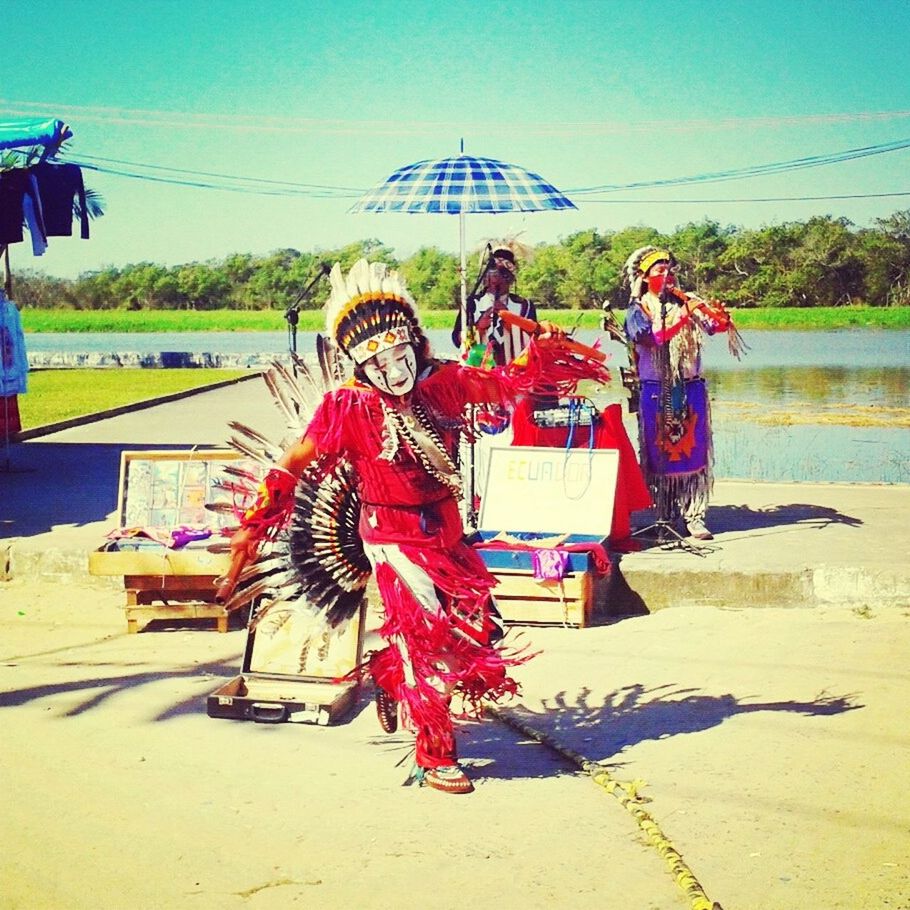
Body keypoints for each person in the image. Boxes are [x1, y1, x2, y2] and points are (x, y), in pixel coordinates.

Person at [219, 259, 610, 795]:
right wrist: (253, 525)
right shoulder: (346, 408)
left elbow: (503, 385)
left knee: (474, 634)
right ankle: (434, 753)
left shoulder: (444, 384)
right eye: (377, 362)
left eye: (400, 354)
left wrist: (541, 351)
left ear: (416, 345)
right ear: (359, 365)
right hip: (393, 542)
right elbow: (295, 464)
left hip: (448, 536)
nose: (393, 369)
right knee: (428, 646)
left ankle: (388, 672)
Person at [623, 246, 745, 541]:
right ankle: (664, 514)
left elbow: (714, 327)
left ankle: (694, 516)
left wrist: (720, 318)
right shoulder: (638, 310)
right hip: (656, 390)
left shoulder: (688, 302)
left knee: (693, 454)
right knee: (659, 455)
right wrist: (682, 315)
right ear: (645, 277)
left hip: (689, 387)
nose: (668, 275)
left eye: (670, 269)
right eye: (659, 270)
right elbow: (651, 338)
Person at [451, 245, 537, 366]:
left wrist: (511, 321)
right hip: (478, 371)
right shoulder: (472, 303)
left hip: (515, 372)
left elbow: (534, 340)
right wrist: (478, 327)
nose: (496, 280)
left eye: (502, 275)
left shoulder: (524, 306)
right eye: (493, 275)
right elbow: (456, 338)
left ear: (511, 279)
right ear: (486, 278)